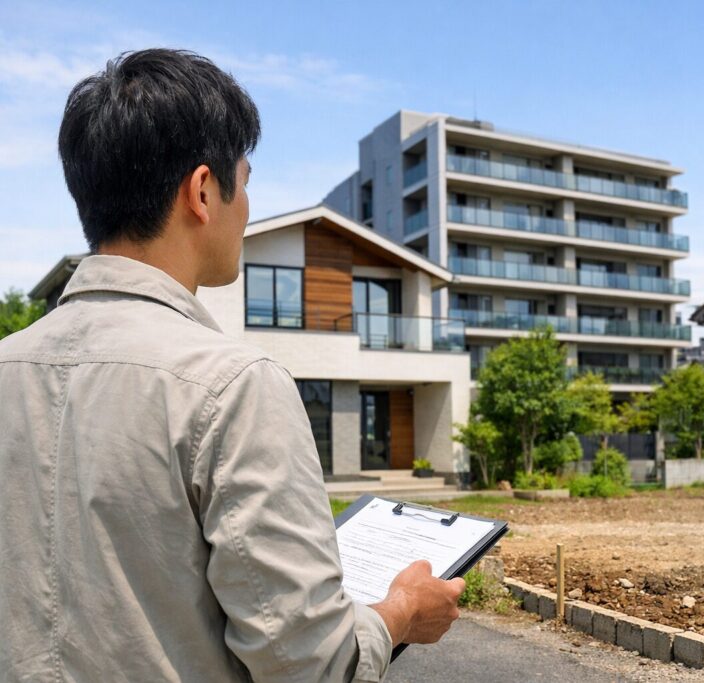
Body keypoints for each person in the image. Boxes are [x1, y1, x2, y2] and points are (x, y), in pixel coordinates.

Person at [0, 48, 464, 682]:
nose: (246, 208)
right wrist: (401, 611)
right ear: (201, 191)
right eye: (243, 182)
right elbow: (310, 666)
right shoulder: (234, 389)